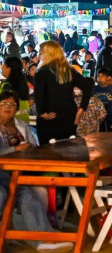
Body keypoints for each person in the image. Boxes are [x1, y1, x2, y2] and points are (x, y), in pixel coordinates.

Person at [0, 90, 75, 252]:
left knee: (27, 192)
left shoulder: (21, 125)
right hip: (4, 173)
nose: (8, 107)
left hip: (22, 172)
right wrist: (15, 149)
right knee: (6, 194)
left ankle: (44, 239)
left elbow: (35, 147)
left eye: (12, 104)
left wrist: (29, 150)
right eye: (4, 103)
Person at [34, 40, 93, 144]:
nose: (39, 55)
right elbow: (87, 88)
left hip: (49, 117)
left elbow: (39, 97)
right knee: (68, 152)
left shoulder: (41, 72)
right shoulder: (69, 70)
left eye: (41, 52)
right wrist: (80, 111)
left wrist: (42, 114)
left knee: (48, 153)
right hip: (69, 116)